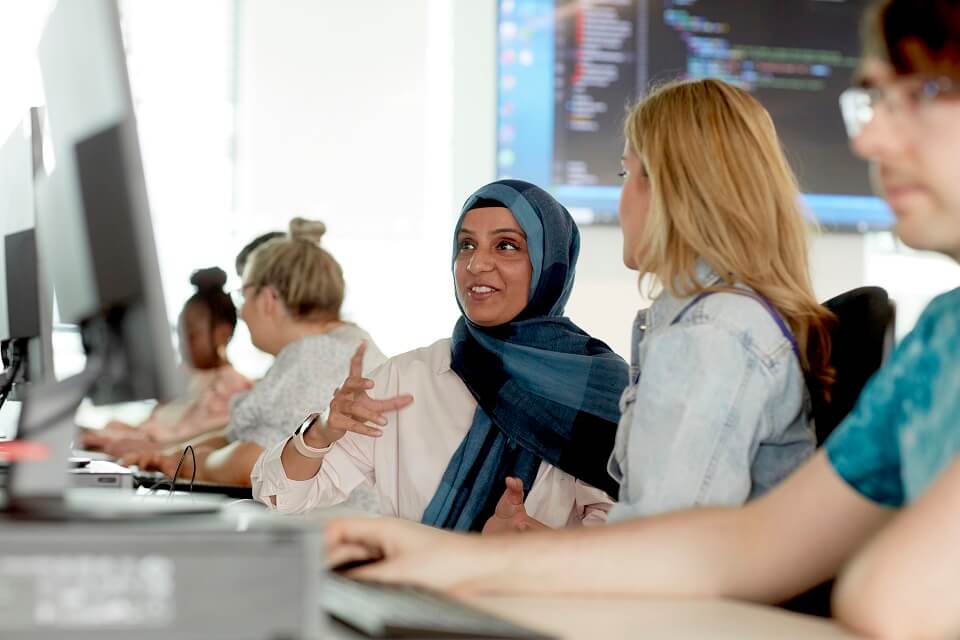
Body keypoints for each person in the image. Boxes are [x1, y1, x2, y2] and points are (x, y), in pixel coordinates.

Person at [325, 1, 960, 636]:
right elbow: (740, 545)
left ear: (682, 191)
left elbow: (879, 597)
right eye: (877, 99)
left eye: (926, 92)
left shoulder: (714, 333)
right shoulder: (940, 337)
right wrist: (459, 556)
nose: (868, 140)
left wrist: (476, 559)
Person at [487, 78, 835, 533]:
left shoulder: (711, 336)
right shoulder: (723, 321)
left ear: (674, 190)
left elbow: (660, 549)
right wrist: (542, 547)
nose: (621, 199)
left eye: (626, 174)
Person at [252, 180, 629, 531]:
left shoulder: (598, 388)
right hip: (414, 582)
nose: (476, 264)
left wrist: (535, 544)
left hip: (540, 584)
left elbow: (628, 536)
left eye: (506, 246)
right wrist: (321, 432)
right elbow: (280, 497)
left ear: (550, 264)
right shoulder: (402, 380)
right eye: (466, 245)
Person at [123, 218, 387, 486]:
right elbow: (238, 435)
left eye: (243, 294)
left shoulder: (318, 355)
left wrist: (189, 462)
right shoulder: (334, 346)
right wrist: (174, 454)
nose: (241, 312)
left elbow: (258, 465)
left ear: (269, 299)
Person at [79, 267, 251, 455]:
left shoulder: (233, 390)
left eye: (192, 335)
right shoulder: (182, 377)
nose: (183, 344)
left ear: (221, 335)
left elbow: (192, 443)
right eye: (180, 334)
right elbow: (148, 429)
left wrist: (128, 442)